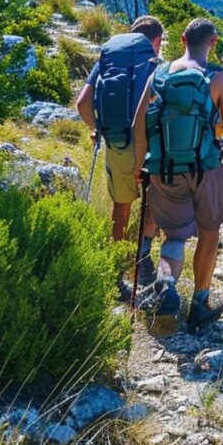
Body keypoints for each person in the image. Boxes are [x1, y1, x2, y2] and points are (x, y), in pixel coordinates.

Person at [131, 18, 223, 332]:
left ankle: (167, 290)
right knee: (210, 231)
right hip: (206, 167)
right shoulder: (218, 77)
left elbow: (138, 123)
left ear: (182, 39)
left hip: (164, 168)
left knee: (175, 235)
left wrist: (138, 165)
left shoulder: (159, 74)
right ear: (213, 43)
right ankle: (200, 302)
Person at [75, 15, 164, 299]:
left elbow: (82, 103)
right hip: (148, 142)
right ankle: (144, 257)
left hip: (116, 140)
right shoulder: (153, 62)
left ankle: (116, 275)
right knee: (155, 200)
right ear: (156, 40)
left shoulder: (107, 58)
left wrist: (96, 129)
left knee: (121, 207)